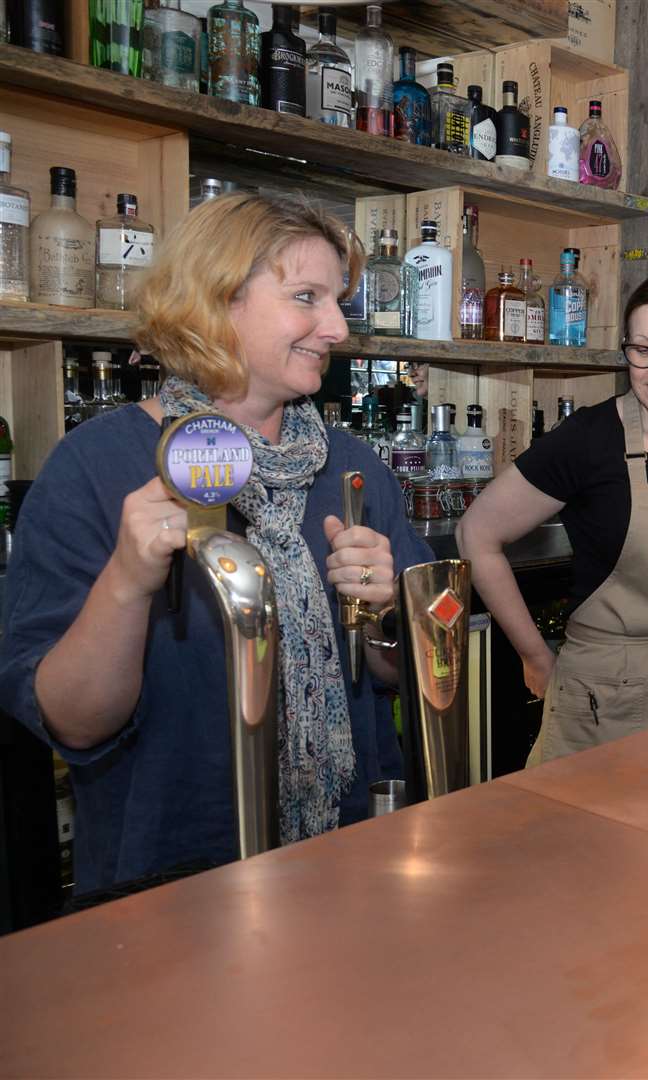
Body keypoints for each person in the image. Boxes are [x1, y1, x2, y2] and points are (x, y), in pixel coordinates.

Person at [0, 194, 432, 896]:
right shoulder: (95, 468)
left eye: (337, 301)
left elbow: (395, 674)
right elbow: (73, 724)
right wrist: (127, 581)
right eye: (307, 297)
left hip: (357, 861)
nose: (336, 327)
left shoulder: (352, 466)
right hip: (174, 884)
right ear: (218, 299)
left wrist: (383, 616)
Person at [458, 269, 648, 763]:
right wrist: (534, 655)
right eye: (643, 351)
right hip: (611, 700)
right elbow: (477, 533)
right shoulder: (588, 440)